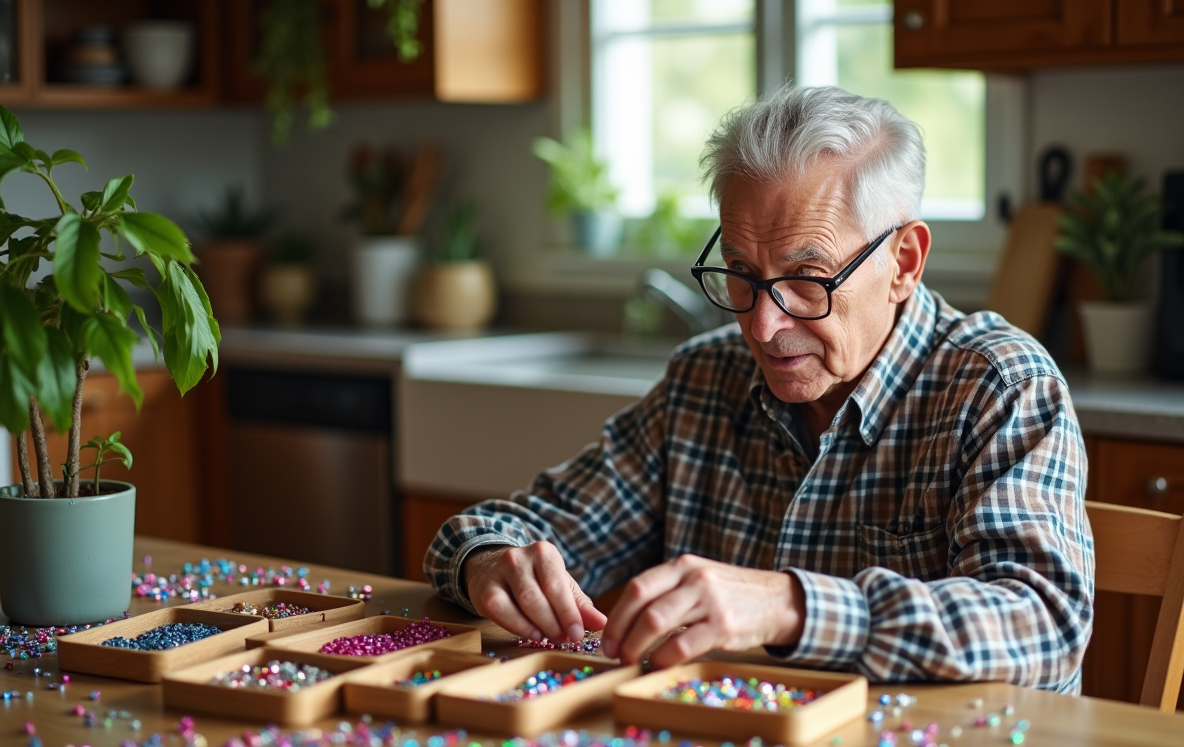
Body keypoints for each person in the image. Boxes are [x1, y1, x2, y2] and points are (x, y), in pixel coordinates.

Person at [425, 86, 1094, 693]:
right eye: (741, 273)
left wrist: (788, 606)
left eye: (808, 277)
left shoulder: (997, 386)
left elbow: (1043, 625)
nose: (762, 325)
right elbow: (502, 532)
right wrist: (488, 563)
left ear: (904, 263)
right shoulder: (704, 380)